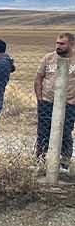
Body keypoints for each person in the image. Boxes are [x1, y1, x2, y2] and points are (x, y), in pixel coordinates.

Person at [35, 32, 75, 168]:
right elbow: (39, 77)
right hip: (47, 102)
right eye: (57, 43)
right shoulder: (48, 58)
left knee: (65, 133)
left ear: (71, 44)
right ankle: (40, 161)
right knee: (43, 132)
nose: (58, 46)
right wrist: (40, 98)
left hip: (68, 103)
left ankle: (64, 164)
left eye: (62, 44)